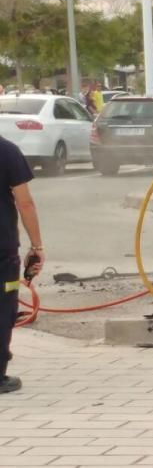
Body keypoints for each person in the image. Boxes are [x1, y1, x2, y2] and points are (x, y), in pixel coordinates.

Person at [0, 135, 43, 394]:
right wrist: (36, 246)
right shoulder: (7, 151)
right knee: (2, 307)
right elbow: (24, 202)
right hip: (1, 248)